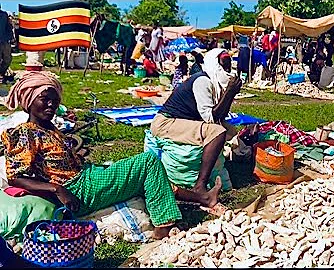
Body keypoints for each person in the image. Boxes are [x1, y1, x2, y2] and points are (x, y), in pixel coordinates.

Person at [2, 72, 190, 239]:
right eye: (44, 99)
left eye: (55, 100)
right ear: (29, 101)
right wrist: (57, 189)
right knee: (147, 162)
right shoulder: (26, 133)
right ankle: (163, 228)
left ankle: (194, 199)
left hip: (85, 176)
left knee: (137, 169)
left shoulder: (48, 127)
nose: (51, 105)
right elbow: (15, 178)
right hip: (78, 191)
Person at [150, 49, 241, 207]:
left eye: (228, 67)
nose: (226, 71)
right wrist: (230, 92)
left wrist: (230, 93)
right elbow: (211, 118)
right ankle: (200, 186)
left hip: (183, 121)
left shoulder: (212, 82)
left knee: (231, 130)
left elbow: (220, 116)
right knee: (218, 132)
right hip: (166, 123)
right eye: (223, 66)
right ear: (214, 64)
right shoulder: (202, 81)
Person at [0, 4, 14, 84]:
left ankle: (1, 73)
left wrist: (11, 37)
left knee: (7, 59)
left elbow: (8, 27)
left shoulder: (4, 14)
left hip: (5, 40)